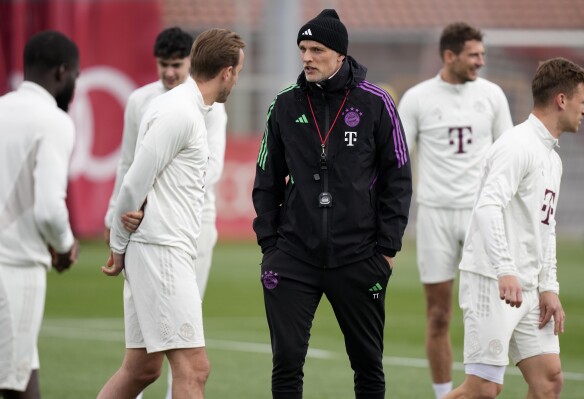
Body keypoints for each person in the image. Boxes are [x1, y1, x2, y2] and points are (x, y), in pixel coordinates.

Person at [252, 9, 412, 399]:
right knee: (287, 361)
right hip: (293, 256)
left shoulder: (376, 103)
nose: (306, 57)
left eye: (316, 49)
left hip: (359, 257)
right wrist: (271, 245)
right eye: (303, 49)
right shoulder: (284, 105)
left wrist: (386, 249)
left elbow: (399, 178)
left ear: (340, 55)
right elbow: (265, 180)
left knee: (368, 363)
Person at [97, 28, 244, 399]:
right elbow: (133, 183)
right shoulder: (180, 112)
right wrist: (118, 245)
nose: (237, 80)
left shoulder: (189, 109)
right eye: (238, 72)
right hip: (162, 250)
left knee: (141, 368)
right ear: (227, 72)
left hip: (161, 247)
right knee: (194, 368)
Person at [445, 57, 584, 399]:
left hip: (528, 288)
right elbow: (487, 207)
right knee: (483, 389)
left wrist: (549, 287)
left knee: (549, 380)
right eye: (582, 102)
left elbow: (545, 227)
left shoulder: (552, 158)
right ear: (561, 100)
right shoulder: (516, 146)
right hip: (492, 282)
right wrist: (505, 270)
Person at [396, 22, 513, 399]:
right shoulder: (416, 98)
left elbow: (508, 157)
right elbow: (396, 161)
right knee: (439, 315)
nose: (481, 61)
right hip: (435, 216)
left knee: (491, 313)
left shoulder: (493, 96)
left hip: (482, 216)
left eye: (482, 54)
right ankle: (443, 393)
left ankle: (485, 387)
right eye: (473, 55)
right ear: (450, 56)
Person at [0, 30, 80, 398]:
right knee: (12, 383)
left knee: (24, 370)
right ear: (63, 72)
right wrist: (64, 246)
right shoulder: (53, 121)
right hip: (15, 269)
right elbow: (49, 209)